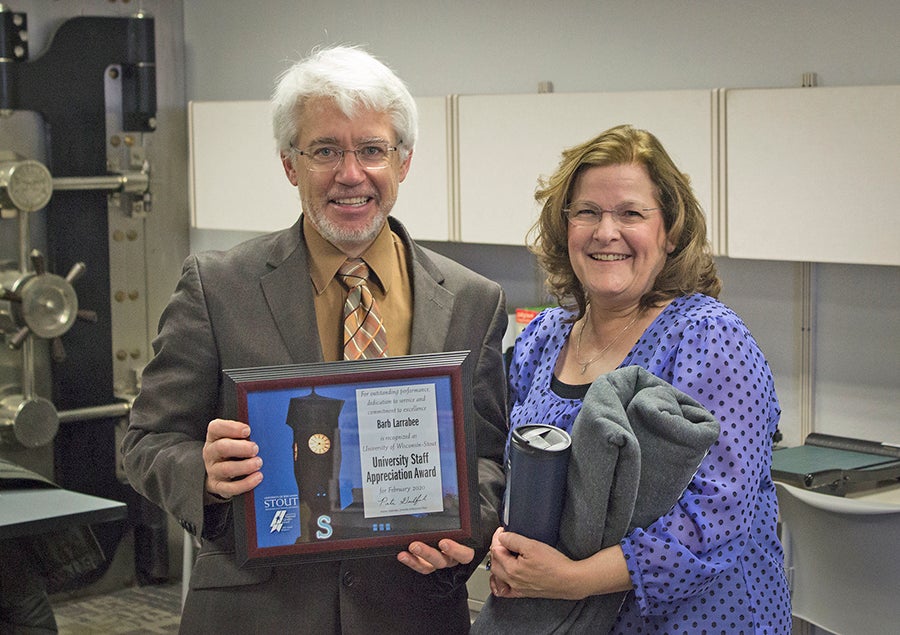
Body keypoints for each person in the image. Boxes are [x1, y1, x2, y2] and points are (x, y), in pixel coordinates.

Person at [121, 45, 508, 634]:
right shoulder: (217, 286)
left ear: (403, 161)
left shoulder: (473, 300)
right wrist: (200, 473)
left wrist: (468, 532)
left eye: (372, 150)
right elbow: (144, 440)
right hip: (255, 613)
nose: (350, 174)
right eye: (325, 150)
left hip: (412, 609)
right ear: (289, 164)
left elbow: (486, 456)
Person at [481, 125, 791, 633]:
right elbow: (512, 466)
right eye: (587, 212)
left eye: (630, 213)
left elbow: (716, 518)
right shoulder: (543, 337)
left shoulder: (707, 338)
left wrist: (575, 578)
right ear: (565, 229)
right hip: (562, 617)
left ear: (669, 232)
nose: (606, 232)